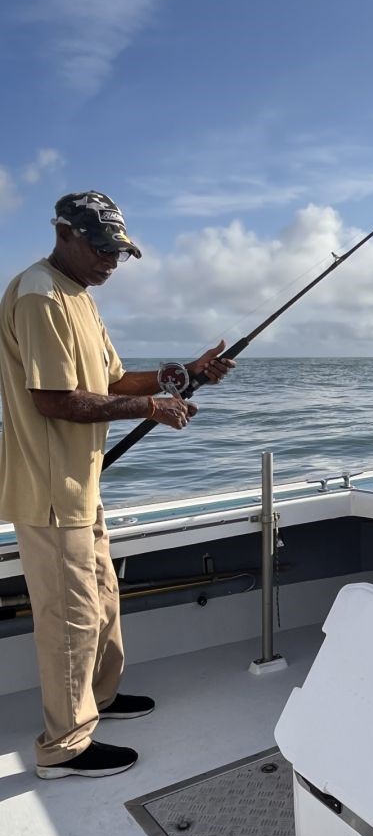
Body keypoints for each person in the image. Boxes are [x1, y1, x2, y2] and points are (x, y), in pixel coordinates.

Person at [0, 190, 235, 779]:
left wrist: (183, 374)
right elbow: (54, 400)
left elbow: (112, 381)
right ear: (64, 234)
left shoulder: (79, 295)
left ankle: (99, 698)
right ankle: (64, 747)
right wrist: (152, 408)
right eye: (101, 247)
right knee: (71, 618)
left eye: (119, 252)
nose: (110, 261)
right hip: (51, 492)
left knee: (102, 597)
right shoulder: (40, 296)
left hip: (80, 485)